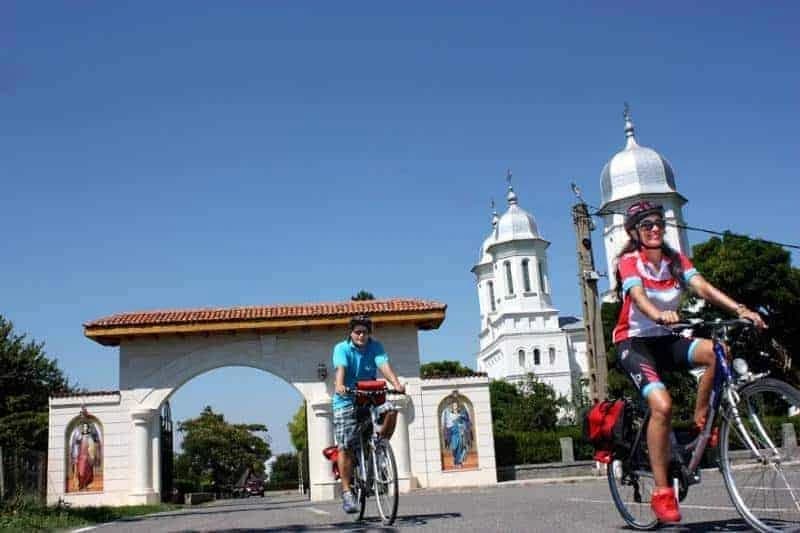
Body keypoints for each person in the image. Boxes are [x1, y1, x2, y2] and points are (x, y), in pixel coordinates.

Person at [613, 200, 765, 524]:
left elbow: (704, 288)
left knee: (718, 351)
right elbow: (638, 297)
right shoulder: (629, 262)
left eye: (658, 223)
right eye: (646, 225)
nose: (654, 229)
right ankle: (662, 490)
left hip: (667, 339)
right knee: (662, 406)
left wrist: (740, 310)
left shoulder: (675, 261)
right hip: (634, 342)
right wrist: (658, 314)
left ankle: (701, 421)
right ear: (634, 233)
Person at [332, 314, 405, 514]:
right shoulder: (342, 348)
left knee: (391, 409)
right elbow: (341, 369)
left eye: (365, 332)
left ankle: (380, 446)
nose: (361, 336)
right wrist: (339, 385)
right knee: (345, 446)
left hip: (371, 398)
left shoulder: (376, 346)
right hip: (346, 400)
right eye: (358, 332)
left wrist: (396, 384)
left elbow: (384, 366)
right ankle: (347, 492)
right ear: (351, 332)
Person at [441, 400, 472, 468]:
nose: (455, 406)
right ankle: (456, 461)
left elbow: (466, 421)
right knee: (454, 447)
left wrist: (463, 426)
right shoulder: (450, 414)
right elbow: (447, 423)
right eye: (454, 405)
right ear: (452, 406)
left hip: (460, 433)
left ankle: (458, 462)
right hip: (453, 433)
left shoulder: (461, 414)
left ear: (458, 407)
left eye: (456, 405)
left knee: (460, 447)